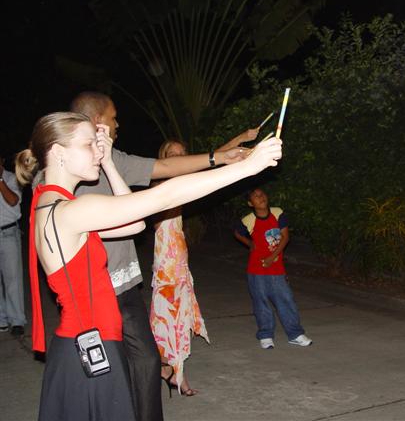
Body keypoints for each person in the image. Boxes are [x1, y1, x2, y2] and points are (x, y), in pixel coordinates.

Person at [16, 112, 282, 420]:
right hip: (92, 347)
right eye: (89, 144)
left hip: (84, 344)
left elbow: (134, 225)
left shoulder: (50, 204)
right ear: (59, 153)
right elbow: (165, 195)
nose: (98, 151)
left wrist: (109, 164)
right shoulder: (72, 211)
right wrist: (247, 167)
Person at [68, 91, 259, 420]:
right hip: (96, 287)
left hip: (131, 283)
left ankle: (167, 380)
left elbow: (175, 169)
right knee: (106, 371)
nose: (118, 124)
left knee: (147, 359)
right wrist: (233, 159)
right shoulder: (70, 171)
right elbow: (163, 188)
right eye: (113, 117)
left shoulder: (117, 160)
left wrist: (230, 154)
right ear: (98, 122)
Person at [149, 140, 207, 397]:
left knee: (179, 320)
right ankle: (170, 371)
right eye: (173, 154)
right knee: (167, 319)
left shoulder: (181, 183)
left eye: (183, 154)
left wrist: (238, 144)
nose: (180, 157)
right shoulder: (160, 187)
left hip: (180, 262)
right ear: (163, 158)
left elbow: (212, 163)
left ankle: (171, 371)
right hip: (166, 265)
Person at [233, 187, 312, 349]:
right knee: (261, 301)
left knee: (286, 299)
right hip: (256, 269)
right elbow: (237, 233)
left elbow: (285, 237)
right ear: (250, 203)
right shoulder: (248, 220)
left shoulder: (278, 213)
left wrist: (272, 257)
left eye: (262, 194)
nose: (260, 197)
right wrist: (250, 244)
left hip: (276, 268)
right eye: (255, 196)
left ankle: (295, 334)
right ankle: (266, 335)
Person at [0, 155, 26, 336]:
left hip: (8, 233)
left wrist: (0, 180)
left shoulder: (12, 178)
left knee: (12, 280)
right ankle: (1, 319)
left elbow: (12, 200)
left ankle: (17, 320)